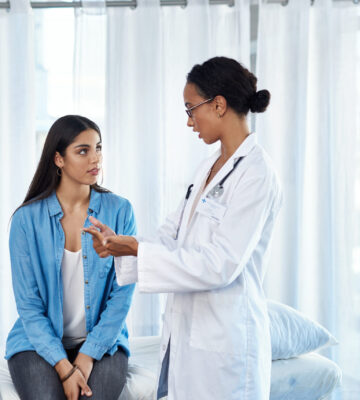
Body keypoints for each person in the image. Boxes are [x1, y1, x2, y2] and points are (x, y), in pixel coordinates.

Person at [85, 56, 283, 400]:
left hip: (226, 343)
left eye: (191, 109)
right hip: (190, 337)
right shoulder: (208, 167)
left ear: (218, 105)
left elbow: (220, 264)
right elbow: (171, 236)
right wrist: (122, 244)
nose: (189, 121)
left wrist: (136, 250)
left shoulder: (257, 173)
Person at [5, 115, 136, 400]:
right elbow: (29, 306)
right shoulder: (26, 221)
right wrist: (64, 368)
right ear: (58, 159)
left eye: (98, 148)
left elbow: (122, 295)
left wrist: (87, 356)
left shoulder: (120, 211)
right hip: (36, 344)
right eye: (83, 151)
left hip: (103, 343)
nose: (95, 159)